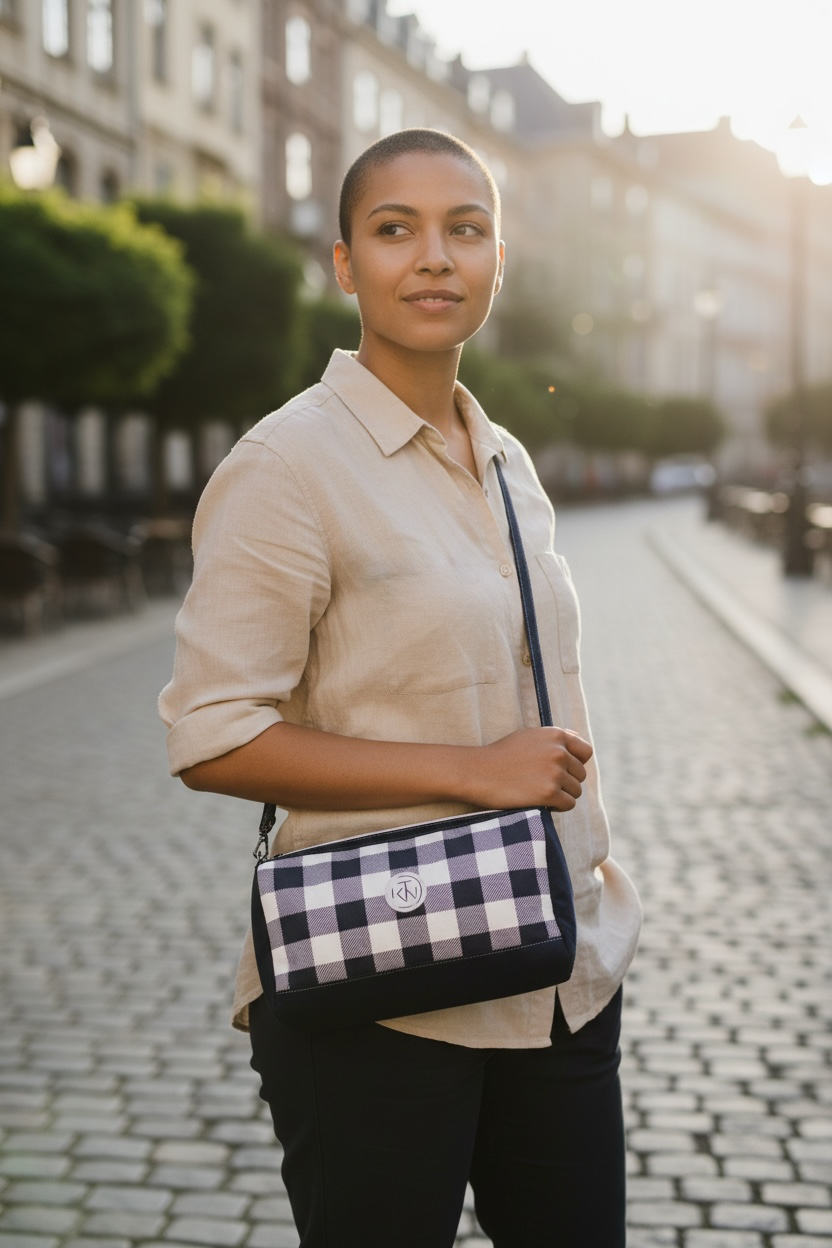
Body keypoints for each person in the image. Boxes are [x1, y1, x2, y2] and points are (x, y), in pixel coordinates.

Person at [160, 129, 641, 1248]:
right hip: (382, 986)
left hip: (558, 973)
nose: (433, 257)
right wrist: (471, 774)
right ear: (343, 265)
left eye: (464, 230)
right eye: (395, 230)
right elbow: (211, 736)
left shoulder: (509, 461)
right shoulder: (288, 466)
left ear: (497, 262)